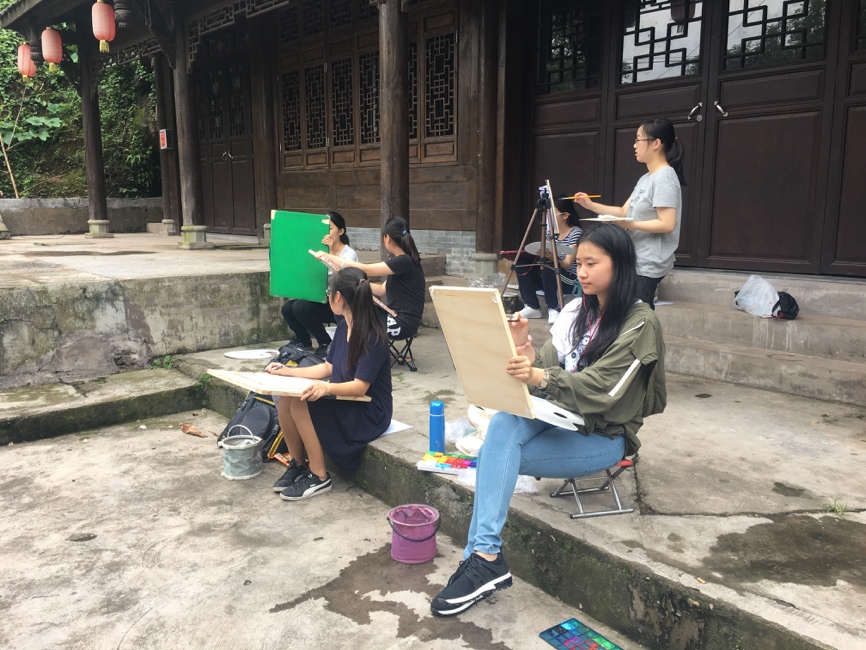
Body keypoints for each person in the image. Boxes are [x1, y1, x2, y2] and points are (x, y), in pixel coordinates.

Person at [430, 224, 666, 616]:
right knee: (503, 426)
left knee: (495, 453)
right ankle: (484, 557)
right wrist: (521, 346)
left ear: (620, 265)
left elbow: (602, 388)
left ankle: (480, 560)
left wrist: (539, 375)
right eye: (579, 263)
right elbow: (543, 368)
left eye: (592, 263)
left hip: (604, 434)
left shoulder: (641, 323)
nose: (581, 272)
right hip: (561, 417)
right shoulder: (578, 311)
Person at [264, 267, 392, 501]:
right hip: (345, 398)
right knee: (286, 397)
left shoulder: (372, 334)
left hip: (368, 409)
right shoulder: (344, 325)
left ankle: (319, 476)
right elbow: (328, 367)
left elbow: (360, 387)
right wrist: (289, 372)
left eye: (329, 293)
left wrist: (326, 388)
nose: (328, 297)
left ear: (338, 297)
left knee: (301, 403)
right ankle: (298, 464)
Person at [574, 117, 686, 309]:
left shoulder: (664, 178)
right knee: (624, 311)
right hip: (635, 257)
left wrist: (628, 224)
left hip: (648, 261)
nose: (634, 145)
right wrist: (590, 205)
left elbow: (667, 224)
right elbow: (623, 211)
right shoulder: (646, 178)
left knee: (637, 313)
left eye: (638, 139)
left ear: (656, 143)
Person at [319, 216, 425, 341]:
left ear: (387, 238)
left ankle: (352, 348)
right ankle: (350, 347)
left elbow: (366, 269)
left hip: (401, 323)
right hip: (396, 317)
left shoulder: (404, 261)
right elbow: (381, 290)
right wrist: (358, 284)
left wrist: (329, 257)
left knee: (347, 311)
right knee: (348, 309)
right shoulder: (404, 261)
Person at [281, 211, 359, 356]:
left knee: (300, 307)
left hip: (340, 303)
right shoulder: (319, 250)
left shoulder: (349, 254)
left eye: (329, 228)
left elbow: (344, 278)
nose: (325, 232)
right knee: (287, 308)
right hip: (322, 299)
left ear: (341, 231)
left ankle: (325, 342)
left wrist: (329, 254)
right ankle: (303, 341)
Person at [516, 195, 582, 324]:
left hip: (568, 279)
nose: (549, 216)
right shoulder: (549, 232)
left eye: (553, 213)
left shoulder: (575, 233)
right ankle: (532, 306)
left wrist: (552, 257)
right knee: (521, 264)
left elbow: (567, 264)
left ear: (565, 215)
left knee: (549, 266)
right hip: (549, 277)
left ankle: (554, 308)